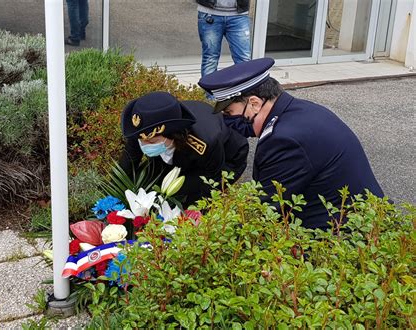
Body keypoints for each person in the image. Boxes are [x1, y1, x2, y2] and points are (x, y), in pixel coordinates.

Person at [198, 58, 384, 230]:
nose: (228, 121)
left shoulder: (284, 140)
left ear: (254, 103)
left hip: (345, 238)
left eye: (230, 113)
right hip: (358, 220)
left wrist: (205, 230)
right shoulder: (299, 110)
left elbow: (263, 211)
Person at [119, 91, 249, 207]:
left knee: (183, 198)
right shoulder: (144, 129)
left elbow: (210, 177)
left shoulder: (203, 142)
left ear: (173, 135)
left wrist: (186, 202)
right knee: (152, 187)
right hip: (177, 151)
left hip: (226, 158)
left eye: (152, 142)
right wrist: (116, 193)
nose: (145, 145)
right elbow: (129, 160)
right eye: (141, 141)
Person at [196, 0, 251, 79]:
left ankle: (246, 90)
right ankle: (210, 91)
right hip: (209, 13)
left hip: (239, 15)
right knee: (210, 59)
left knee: (244, 59)